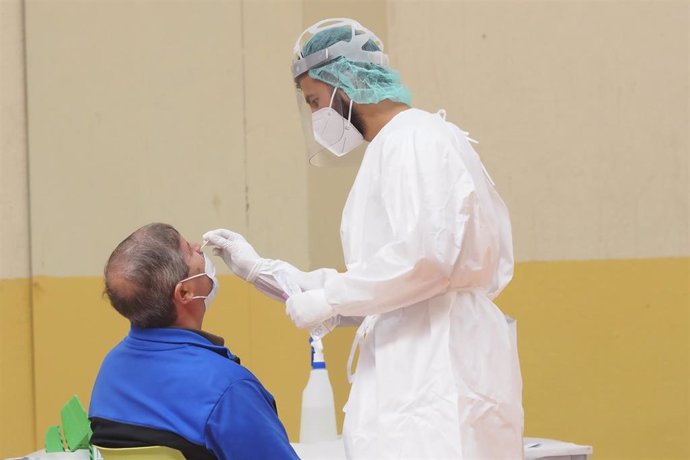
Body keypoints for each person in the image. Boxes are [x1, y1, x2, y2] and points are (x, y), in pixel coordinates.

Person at [204, 18, 524, 459]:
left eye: (316, 100)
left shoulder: (413, 140)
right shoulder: (398, 145)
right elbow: (391, 282)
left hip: (433, 374)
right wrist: (267, 272)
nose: (317, 116)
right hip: (420, 363)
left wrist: (331, 298)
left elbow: (426, 260)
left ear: (347, 82)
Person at [89, 223, 299, 460]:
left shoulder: (110, 370)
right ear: (184, 293)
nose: (200, 248)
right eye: (190, 250)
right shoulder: (227, 389)